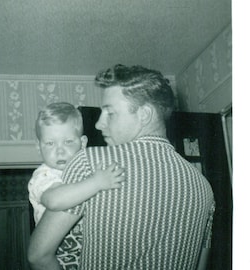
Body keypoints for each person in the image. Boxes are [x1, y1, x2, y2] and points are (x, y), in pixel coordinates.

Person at [28, 65, 215, 270]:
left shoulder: (91, 162)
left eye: (110, 113)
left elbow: (38, 256)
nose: (99, 124)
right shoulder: (204, 188)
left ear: (144, 114)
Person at [28, 102, 125, 270]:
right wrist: (97, 183)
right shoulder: (44, 175)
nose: (59, 151)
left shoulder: (84, 170)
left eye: (68, 142)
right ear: (38, 146)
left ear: (82, 142)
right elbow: (54, 200)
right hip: (60, 256)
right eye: (50, 143)